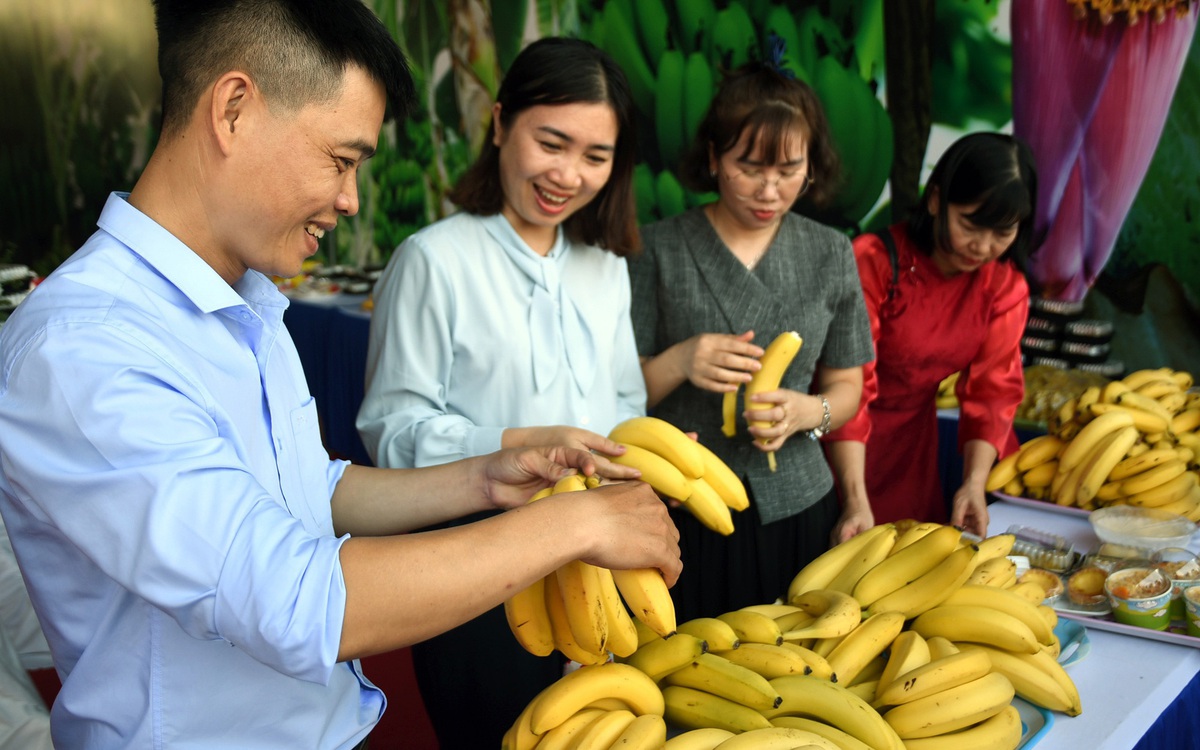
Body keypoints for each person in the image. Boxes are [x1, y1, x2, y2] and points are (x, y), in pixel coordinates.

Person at [0, 3, 681, 748]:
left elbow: (305, 491)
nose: (352, 198)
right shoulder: (83, 347)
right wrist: (574, 522)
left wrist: (484, 478)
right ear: (233, 111)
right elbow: (291, 597)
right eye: (340, 160)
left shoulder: (247, 304)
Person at [354, 36, 646, 748]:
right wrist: (517, 444)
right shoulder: (433, 260)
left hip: (596, 565)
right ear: (499, 124)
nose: (568, 174)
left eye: (595, 156)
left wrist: (638, 455)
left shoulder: (605, 268)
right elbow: (391, 431)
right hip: (475, 571)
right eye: (552, 142)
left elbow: (626, 402)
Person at [628, 60, 874, 622]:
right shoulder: (657, 249)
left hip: (798, 504)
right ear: (713, 157)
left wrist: (808, 410)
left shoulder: (831, 252)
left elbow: (847, 384)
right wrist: (680, 360)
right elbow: (620, 392)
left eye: (790, 169)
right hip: (682, 505)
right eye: (749, 167)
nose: (770, 190)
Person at [826, 132, 1037, 541]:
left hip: (911, 452)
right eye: (971, 225)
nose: (983, 246)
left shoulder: (1003, 286)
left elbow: (993, 395)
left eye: (1003, 233)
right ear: (937, 199)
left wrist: (974, 483)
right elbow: (849, 382)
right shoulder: (872, 260)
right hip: (837, 441)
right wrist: (854, 497)